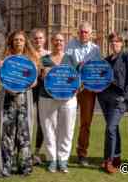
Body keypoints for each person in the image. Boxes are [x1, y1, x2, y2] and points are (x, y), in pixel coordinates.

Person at [0, 30, 39, 177]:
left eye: (21, 40)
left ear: (25, 42)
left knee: (24, 133)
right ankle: (6, 168)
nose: (18, 42)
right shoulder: (5, 59)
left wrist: (23, 86)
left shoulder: (31, 60)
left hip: (24, 98)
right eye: (16, 40)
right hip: (7, 99)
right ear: (11, 42)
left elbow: (34, 82)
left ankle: (24, 167)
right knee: (7, 134)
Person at [39, 32, 78, 173]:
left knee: (67, 129)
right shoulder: (43, 59)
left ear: (64, 42)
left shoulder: (71, 59)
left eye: (61, 41)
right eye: (56, 40)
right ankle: (52, 160)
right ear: (51, 42)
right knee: (49, 129)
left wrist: (78, 86)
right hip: (47, 97)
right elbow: (37, 76)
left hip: (68, 99)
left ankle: (63, 160)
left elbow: (78, 78)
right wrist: (42, 74)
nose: (58, 43)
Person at [98, 32, 128, 173]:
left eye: (117, 41)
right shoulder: (107, 59)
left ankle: (108, 161)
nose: (114, 44)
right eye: (112, 41)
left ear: (121, 43)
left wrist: (125, 97)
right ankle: (117, 157)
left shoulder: (126, 57)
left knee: (110, 129)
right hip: (105, 97)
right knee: (113, 128)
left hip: (119, 98)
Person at [65, 21, 101, 166]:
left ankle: (82, 153)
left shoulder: (96, 49)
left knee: (85, 123)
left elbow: (98, 69)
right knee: (67, 121)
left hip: (87, 90)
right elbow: (65, 64)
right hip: (72, 88)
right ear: (77, 32)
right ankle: (64, 153)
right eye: (81, 32)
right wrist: (77, 66)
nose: (83, 34)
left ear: (91, 34)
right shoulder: (70, 46)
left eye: (86, 32)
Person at [30, 29, 50, 165]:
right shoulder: (28, 55)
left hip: (43, 89)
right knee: (26, 120)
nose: (38, 40)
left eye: (40, 38)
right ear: (32, 40)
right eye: (36, 38)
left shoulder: (49, 55)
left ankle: (36, 152)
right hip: (30, 89)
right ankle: (25, 151)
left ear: (44, 39)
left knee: (41, 121)